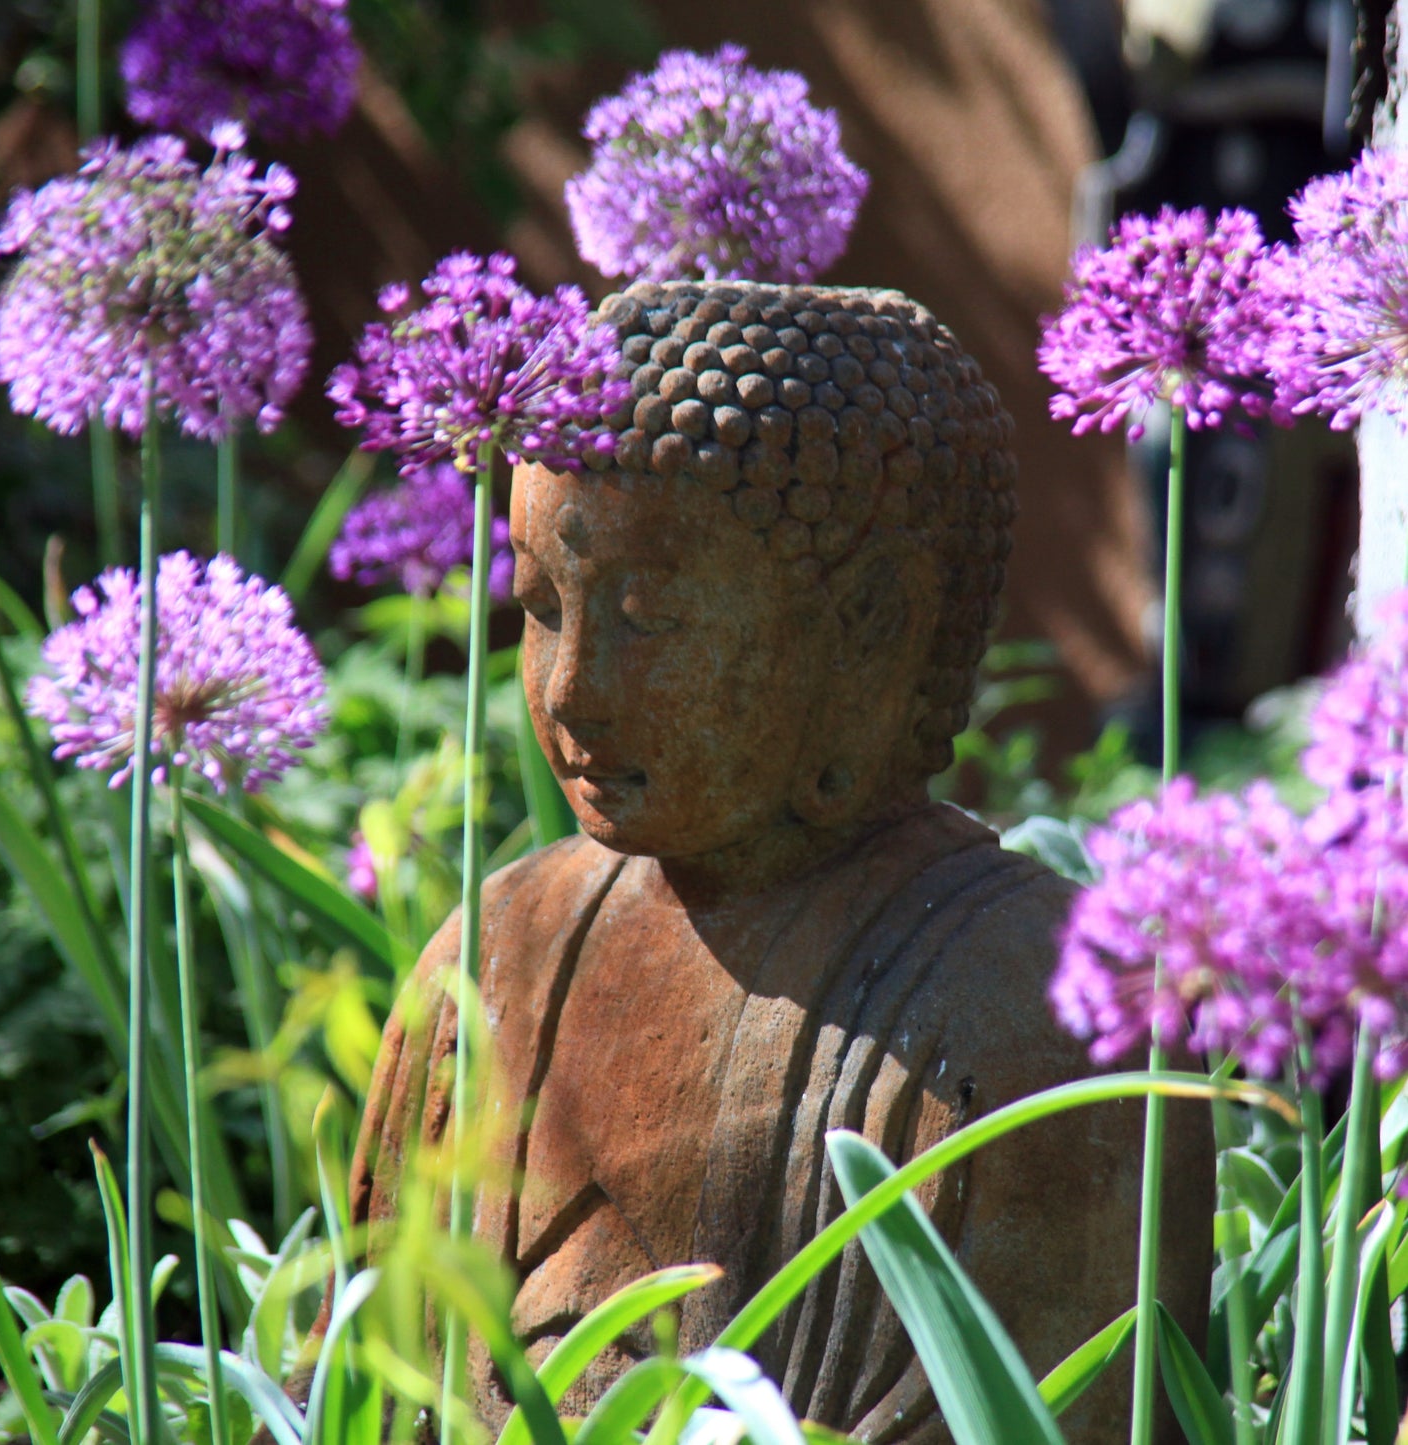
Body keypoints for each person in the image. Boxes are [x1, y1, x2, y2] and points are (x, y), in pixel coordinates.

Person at [335, 280, 1213, 1442]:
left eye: (651, 615)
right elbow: (345, 1385)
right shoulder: (495, 951)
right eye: (542, 604)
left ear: (871, 628)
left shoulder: (1041, 1010)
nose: (570, 687)